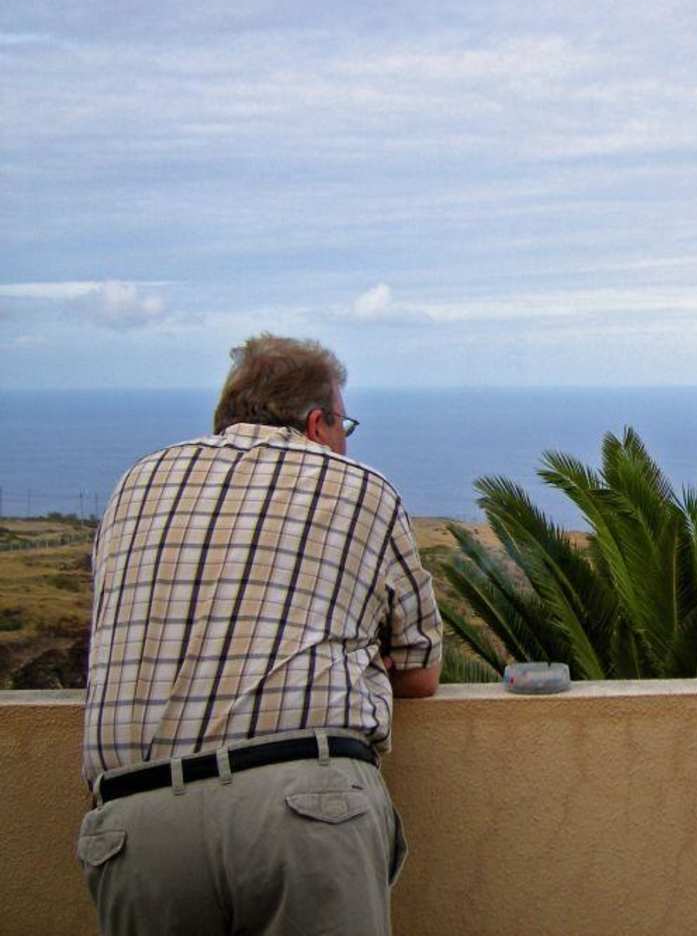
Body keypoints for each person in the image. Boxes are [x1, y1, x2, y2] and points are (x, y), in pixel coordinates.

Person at [76, 333, 442, 936]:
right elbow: (420, 669)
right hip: (301, 806)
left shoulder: (135, 483)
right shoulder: (361, 488)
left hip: (134, 824)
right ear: (319, 423)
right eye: (345, 425)